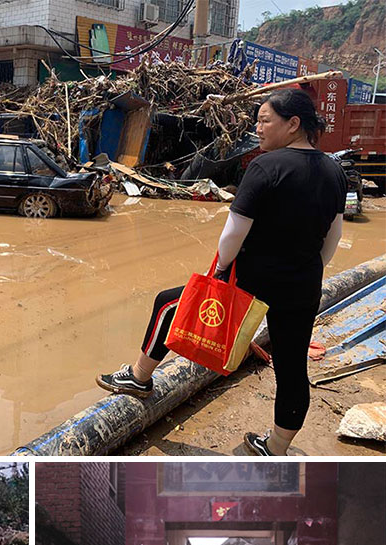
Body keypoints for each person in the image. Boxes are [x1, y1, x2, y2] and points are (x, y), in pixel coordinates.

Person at [97, 88, 348, 456]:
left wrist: (223, 270)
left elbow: (233, 233)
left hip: (253, 279)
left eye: (264, 120)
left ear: (293, 124)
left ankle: (138, 377)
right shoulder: (334, 171)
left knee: (169, 305)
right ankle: (276, 448)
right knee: (293, 368)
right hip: (302, 284)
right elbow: (333, 237)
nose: (257, 128)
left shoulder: (265, 167)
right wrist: (305, 271)